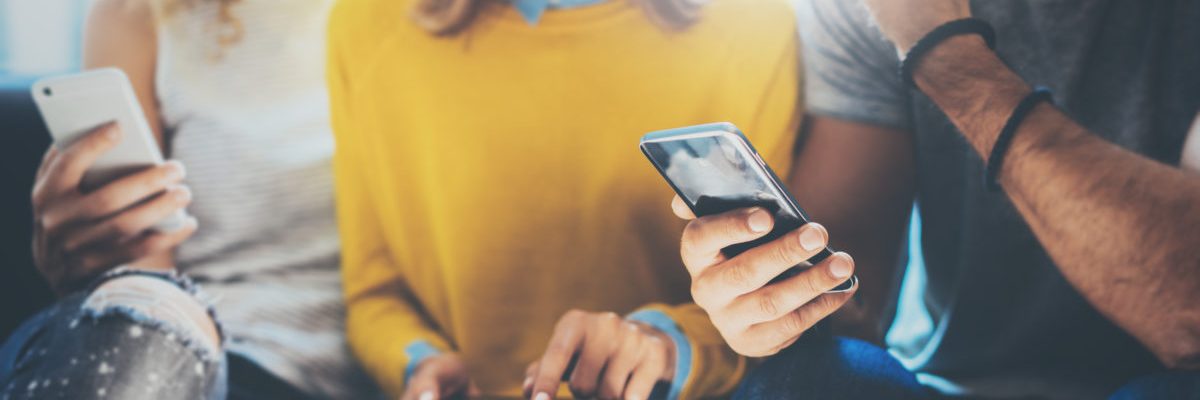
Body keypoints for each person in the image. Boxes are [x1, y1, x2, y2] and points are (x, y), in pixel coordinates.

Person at [674, 0, 1200, 398]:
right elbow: (853, 308)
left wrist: (941, 50)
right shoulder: (857, 9)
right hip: (949, 380)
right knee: (807, 376)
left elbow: (1187, 316)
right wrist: (773, 306)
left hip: (1159, 377)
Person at [325, 0, 812, 398]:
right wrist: (418, 363)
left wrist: (665, 346)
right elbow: (375, 294)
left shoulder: (755, 26)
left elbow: (773, 296)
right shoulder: (366, 25)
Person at [0, 0, 377, 398]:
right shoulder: (138, 16)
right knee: (134, 322)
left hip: (388, 361)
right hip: (208, 354)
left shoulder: (424, 19)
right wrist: (102, 272)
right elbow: (145, 278)